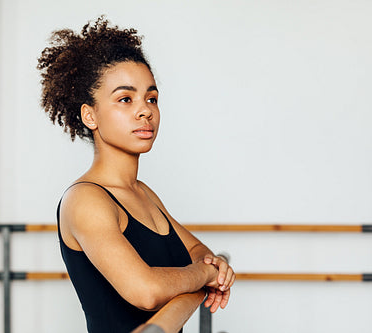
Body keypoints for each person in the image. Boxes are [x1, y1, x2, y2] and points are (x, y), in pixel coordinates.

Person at [37, 17, 235, 333]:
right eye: (125, 99)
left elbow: (201, 254)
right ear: (90, 115)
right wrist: (205, 277)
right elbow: (145, 291)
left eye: (151, 98)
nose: (145, 110)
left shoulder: (143, 193)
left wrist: (206, 273)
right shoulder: (85, 199)